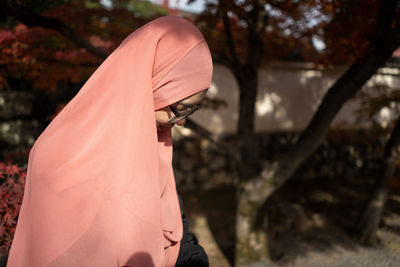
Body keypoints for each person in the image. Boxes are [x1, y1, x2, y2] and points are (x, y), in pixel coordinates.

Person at [7, 16, 213, 267]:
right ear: (152, 86)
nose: (181, 123)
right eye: (180, 109)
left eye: (192, 111)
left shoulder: (156, 140)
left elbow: (176, 227)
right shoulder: (59, 155)